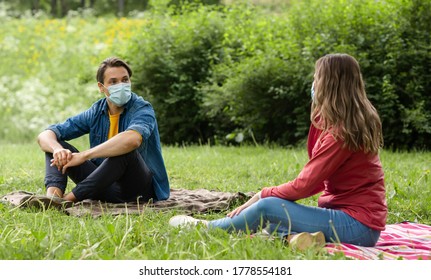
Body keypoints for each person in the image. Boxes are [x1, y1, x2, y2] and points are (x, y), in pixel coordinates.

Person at [169, 53, 387, 249]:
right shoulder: (343, 124)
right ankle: (299, 239)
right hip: (359, 225)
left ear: (329, 84)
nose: (313, 83)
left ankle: (208, 228)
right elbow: (319, 180)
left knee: (267, 208)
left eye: (316, 78)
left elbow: (305, 185)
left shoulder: (340, 134)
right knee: (275, 221)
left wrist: (261, 195)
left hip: (357, 226)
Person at [37, 57, 169, 204]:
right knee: (57, 146)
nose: (121, 85)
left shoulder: (142, 109)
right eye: (113, 82)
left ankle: (67, 201)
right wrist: (57, 150)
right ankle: (52, 198)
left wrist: (84, 156)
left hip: (138, 190)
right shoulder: (96, 111)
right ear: (101, 87)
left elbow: (132, 140)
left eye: (125, 80)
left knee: (126, 151)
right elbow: (46, 135)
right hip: (104, 185)